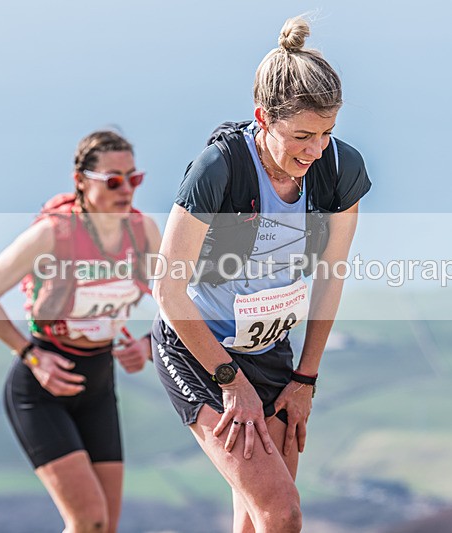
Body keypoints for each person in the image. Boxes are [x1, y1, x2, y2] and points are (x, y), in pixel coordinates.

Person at [151, 15, 371, 533]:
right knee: (282, 513)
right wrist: (229, 380)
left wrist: (305, 379)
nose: (314, 151)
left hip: (272, 352)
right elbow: (167, 288)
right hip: (198, 352)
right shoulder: (219, 168)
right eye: (301, 136)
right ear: (263, 118)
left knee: (256, 522)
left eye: (326, 133)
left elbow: (330, 278)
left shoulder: (339, 170)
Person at [0, 130, 161, 533]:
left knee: (106, 525)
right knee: (87, 519)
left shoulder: (143, 232)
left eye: (133, 178)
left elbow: (180, 300)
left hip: (98, 383)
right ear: (81, 182)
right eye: (112, 180)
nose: (126, 189)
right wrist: (31, 357)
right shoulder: (52, 234)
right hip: (42, 389)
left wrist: (147, 346)